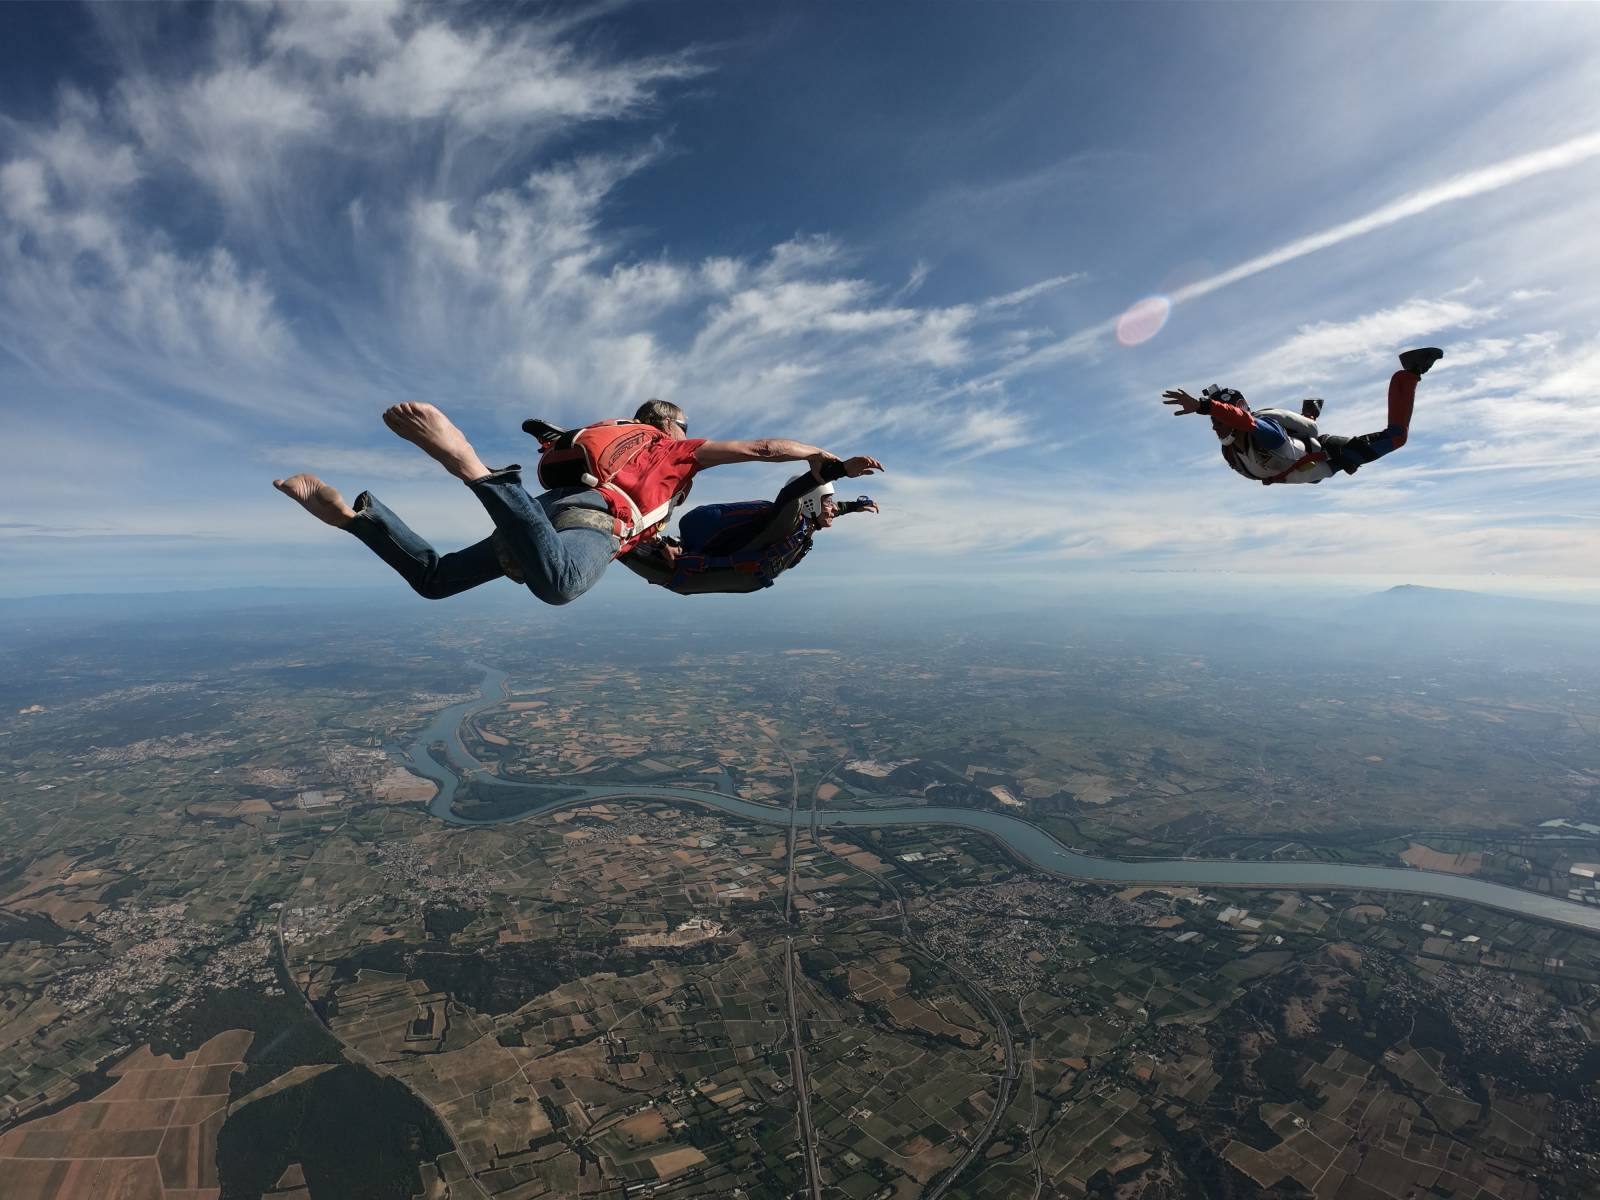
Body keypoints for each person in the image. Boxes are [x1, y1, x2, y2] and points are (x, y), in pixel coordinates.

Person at [272, 399, 882, 605]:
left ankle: (355, 518)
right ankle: (472, 466)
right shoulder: (679, 449)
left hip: (550, 507)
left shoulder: (608, 438)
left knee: (436, 581)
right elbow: (768, 447)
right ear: (672, 425)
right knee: (560, 585)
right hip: (594, 520)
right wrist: (822, 457)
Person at [1160, 348, 1444, 484]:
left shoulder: (1261, 431)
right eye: (1213, 423)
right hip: (1311, 464)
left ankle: (1411, 371)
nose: (1215, 429)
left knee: (1396, 438)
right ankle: (1310, 412)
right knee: (1315, 451)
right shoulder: (1232, 450)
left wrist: (1203, 407)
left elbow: (1245, 422)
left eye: (1219, 422)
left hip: (1327, 454)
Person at [620, 466, 880, 595]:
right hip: (680, 572)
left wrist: (854, 506)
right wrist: (839, 470)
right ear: (809, 502)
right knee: (618, 541)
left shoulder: (804, 529)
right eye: (828, 502)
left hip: (705, 577)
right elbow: (791, 495)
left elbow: (824, 511)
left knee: (621, 542)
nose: (833, 509)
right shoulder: (789, 519)